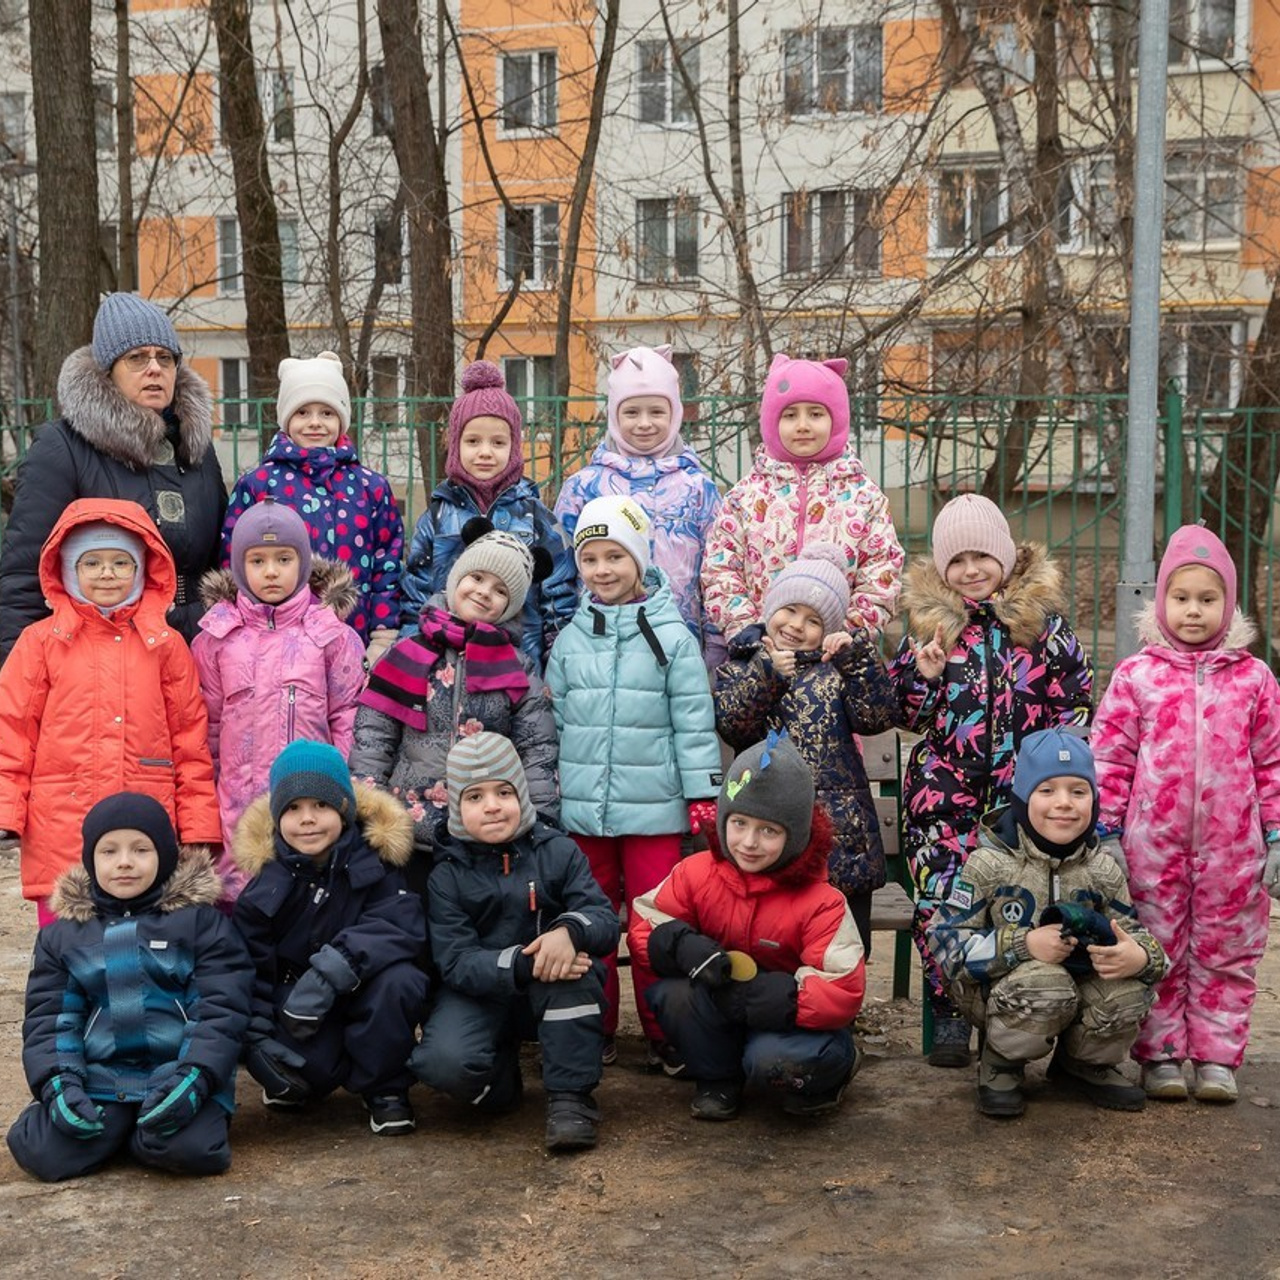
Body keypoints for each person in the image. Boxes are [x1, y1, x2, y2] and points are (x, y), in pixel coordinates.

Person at [886, 494, 1093, 1067]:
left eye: (983, 556)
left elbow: (1075, 700)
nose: (971, 570)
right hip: (942, 799)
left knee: (1016, 902)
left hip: (1020, 799)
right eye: (958, 561)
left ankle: (1010, 1014)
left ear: (1004, 559)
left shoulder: (1042, 628)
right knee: (942, 901)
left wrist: (1054, 771)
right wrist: (923, 678)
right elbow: (904, 714)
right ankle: (951, 1007)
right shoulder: (929, 629)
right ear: (943, 570)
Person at [1092, 525, 1280, 1104]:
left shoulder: (1254, 679)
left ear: (1228, 604)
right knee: (1156, 947)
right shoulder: (1137, 676)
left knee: (1228, 953)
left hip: (1234, 850)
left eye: (1207, 599)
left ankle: (1217, 1058)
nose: (1193, 611)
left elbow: (1272, 763)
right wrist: (1108, 833)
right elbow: (1111, 758)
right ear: (1161, 602)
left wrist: (1276, 837)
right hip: (1154, 847)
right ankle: (1161, 1056)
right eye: (1181, 598)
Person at [546, 494, 722, 1071]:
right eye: (590, 558)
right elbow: (558, 722)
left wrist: (702, 794)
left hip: (654, 814)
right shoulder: (571, 640)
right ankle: (592, 1027)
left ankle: (663, 1030)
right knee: (590, 923)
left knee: (653, 924)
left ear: (640, 561)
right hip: (584, 817)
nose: (602, 570)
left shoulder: (671, 639)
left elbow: (694, 721)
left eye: (614, 556)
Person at [6, 793, 253, 1181]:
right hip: (99, 1080)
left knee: (195, 1152)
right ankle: (110, 1126)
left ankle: (136, 1134)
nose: (124, 862)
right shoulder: (63, 936)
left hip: (178, 1077)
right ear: (90, 859)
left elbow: (219, 1012)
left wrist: (195, 1078)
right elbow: (52, 1019)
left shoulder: (201, 924)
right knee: (40, 1152)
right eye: (109, 851)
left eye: (141, 849)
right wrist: (60, 1085)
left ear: (166, 855)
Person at [0, 499, 221, 926]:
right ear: (68, 570)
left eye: (121, 562)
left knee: (142, 947)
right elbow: (12, 730)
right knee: (65, 950)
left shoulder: (166, 644)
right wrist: (7, 809)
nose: (107, 574)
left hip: (144, 824)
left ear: (142, 570)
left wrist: (196, 827)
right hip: (61, 823)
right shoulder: (41, 642)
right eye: (92, 562)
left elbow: (190, 739)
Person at [926, 729, 1166, 1117]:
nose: (1064, 804)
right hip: (1004, 994)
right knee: (1044, 982)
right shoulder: (990, 863)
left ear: (1094, 799)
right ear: (1022, 797)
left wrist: (1139, 956)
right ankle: (1001, 1062)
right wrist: (1022, 945)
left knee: (1127, 992)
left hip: (1082, 988)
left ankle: (1083, 1064)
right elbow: (945, 943)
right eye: (1047, 790)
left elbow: (1135, 932)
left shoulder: (1103, 869)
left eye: (1078, 791)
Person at [631, 734, 866, 1121]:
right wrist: (678, 943)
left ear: (796, 834)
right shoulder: (696, 873)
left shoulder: (822, 901)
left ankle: (836, 1068)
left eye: (769, 831)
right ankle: (717, 1079)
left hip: (788, 1022)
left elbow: (843, 986)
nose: (749, 843)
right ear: (724, 819)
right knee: (674, 994)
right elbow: (646, 922)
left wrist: (787, 997)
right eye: (739, 823)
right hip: (720, 1004)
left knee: (771, 1060)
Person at [411, 733, 618, 1151]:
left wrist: (568, 932)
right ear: (455, 807)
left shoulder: (558, 850)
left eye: (503, 792)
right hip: (480, 991)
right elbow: (455, 961)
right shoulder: (445, 874)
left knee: (574, 975)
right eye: (475, 797)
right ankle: (499, 1082)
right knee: (441, 1064)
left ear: (521, 795)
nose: (492, 806)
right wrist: (522, 964)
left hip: (553, 985)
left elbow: (603, 918)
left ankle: (570, 1100)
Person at [0, 292, 226, 659]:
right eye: (137, 358)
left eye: (165, 358)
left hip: (195, 655)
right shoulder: (64, 449)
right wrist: (18, 685)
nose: (154, 368)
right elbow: (24, 581)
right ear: (107, 371)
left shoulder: (197, 449)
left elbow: (219, 562)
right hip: (99, 664)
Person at [350, 523, 559, 898]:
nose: (483, 592)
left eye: (500, 590)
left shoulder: (518, 667)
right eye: (476, 577)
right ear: (456, 576)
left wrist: (539, 820)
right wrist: (371, 806)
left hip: (484, 836)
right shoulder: (406, 651)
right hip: (408, 832)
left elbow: (536, 747)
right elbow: (374, 735)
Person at [231, 740, 429, 1135]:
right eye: (293, 808)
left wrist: (334, 968)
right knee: (306, 1074)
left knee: (402, 980)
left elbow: (400, 925)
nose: (308, 819)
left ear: (344, 809)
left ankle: (385, 1088)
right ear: (276, 818)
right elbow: (247, 968)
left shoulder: (376, 862)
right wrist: (255, 1040)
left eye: (321, 805)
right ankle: (304, 1077)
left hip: (363, 990)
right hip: (299, 1008)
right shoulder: (263, 886)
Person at [713, 544, 897, 952]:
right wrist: (767, 675)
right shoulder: (741, 666)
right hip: (769, 828)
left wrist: (857, 660)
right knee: (776, 940)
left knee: (842, 945)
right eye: (789, 610)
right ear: (770, 607)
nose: (796, 625)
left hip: (840, 834)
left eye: (813, 620)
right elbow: (734, 726)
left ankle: (839, 1008)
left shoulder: (837, 672)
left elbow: (877, 717)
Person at [193, 498, 366, 901]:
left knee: (310, 898)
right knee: (243, 902)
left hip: (312, 801)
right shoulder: (216, 640)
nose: (271, 571)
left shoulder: (332, 636)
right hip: (236, 804)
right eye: (257, 561)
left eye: (284, 559)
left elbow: (348, 716)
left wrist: (337, 780)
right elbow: (208, 726)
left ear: (303, 562)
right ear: (239, 566)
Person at [701, 352, 903, 646]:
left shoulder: (864, 498)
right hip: (763, 650)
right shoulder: (744, 497)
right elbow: (721, 568)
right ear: (772, 421)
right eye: (790, 414)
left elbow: (881, 571)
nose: (803, 425)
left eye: (816, 413)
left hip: (833, 655)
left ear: (837, 418)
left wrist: (849, 633)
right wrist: (747, 630)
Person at [220, 352, 404, 664]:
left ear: (342, 419)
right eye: (303, 412)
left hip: (354, 637)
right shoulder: (258, 485)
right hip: (274, 647)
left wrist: (383, 635)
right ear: (286, 418)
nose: (315, 422)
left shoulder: (370, 487)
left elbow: (387, 565)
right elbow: (233, 564)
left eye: (327, 413)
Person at [399, 360, 576, 667]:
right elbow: (416, 593)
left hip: (519, 664)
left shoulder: (536, 517)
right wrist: (412, 659)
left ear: (514, 447)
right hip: (445, 666)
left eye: (498, 442)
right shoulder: (438, 516)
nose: (484, 452)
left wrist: (555, 661)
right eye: (472, 441)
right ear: (455, 445)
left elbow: (559, 595)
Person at [555, 344, 724, 664]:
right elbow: (559, 574)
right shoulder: (583, 487)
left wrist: (715, 651)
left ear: (674, 413)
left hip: (680, 652)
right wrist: (562, 642)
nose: (644, 423)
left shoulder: (699, 490)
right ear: (614, 415)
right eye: (631, 412)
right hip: (598, 650)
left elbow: (715, 575)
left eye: (657, 411)